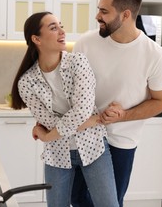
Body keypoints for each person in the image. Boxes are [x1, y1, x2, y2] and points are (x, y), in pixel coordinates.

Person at [71, 0, 162, 207]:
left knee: (109, 202)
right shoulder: (85, 44)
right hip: (83, 136)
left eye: (104, 11)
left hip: (120, 141)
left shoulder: (155, 56)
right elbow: (71, 91)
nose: (98, 16)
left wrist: (123, 115)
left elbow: (161, 101)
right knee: (77, 199)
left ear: (125, 15)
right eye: (99, 9)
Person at [11, 11, 119, 207]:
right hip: (57, 154)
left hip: (93, 146)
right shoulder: (26, 82)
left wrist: (47, 136)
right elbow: (52, 121)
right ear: (36, 39)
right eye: (53, 28)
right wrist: (93, 120)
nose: (62, 31)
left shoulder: (78, 62)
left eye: (61, 25)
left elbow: (82, 111)